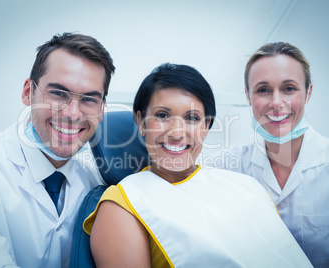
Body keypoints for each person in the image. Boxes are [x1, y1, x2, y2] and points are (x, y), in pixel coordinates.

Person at [83, 63, 312, 267]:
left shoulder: (247, 186)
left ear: (207, 125)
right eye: (162, 115)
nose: (176, 133)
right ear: (140, 122)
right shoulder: (122, 205)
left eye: (192, 118)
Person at [0, 32, 115, 267]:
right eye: (59, 93)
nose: (73, 114)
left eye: (89, 99)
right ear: (28, 92)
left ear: (101, 109)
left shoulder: (99, 180)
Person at [210, 42, 329, 267]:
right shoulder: (227, 167)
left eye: (289, 88)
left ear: (308, 93)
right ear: (248, 97)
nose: (276, 103)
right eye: (263, 90)